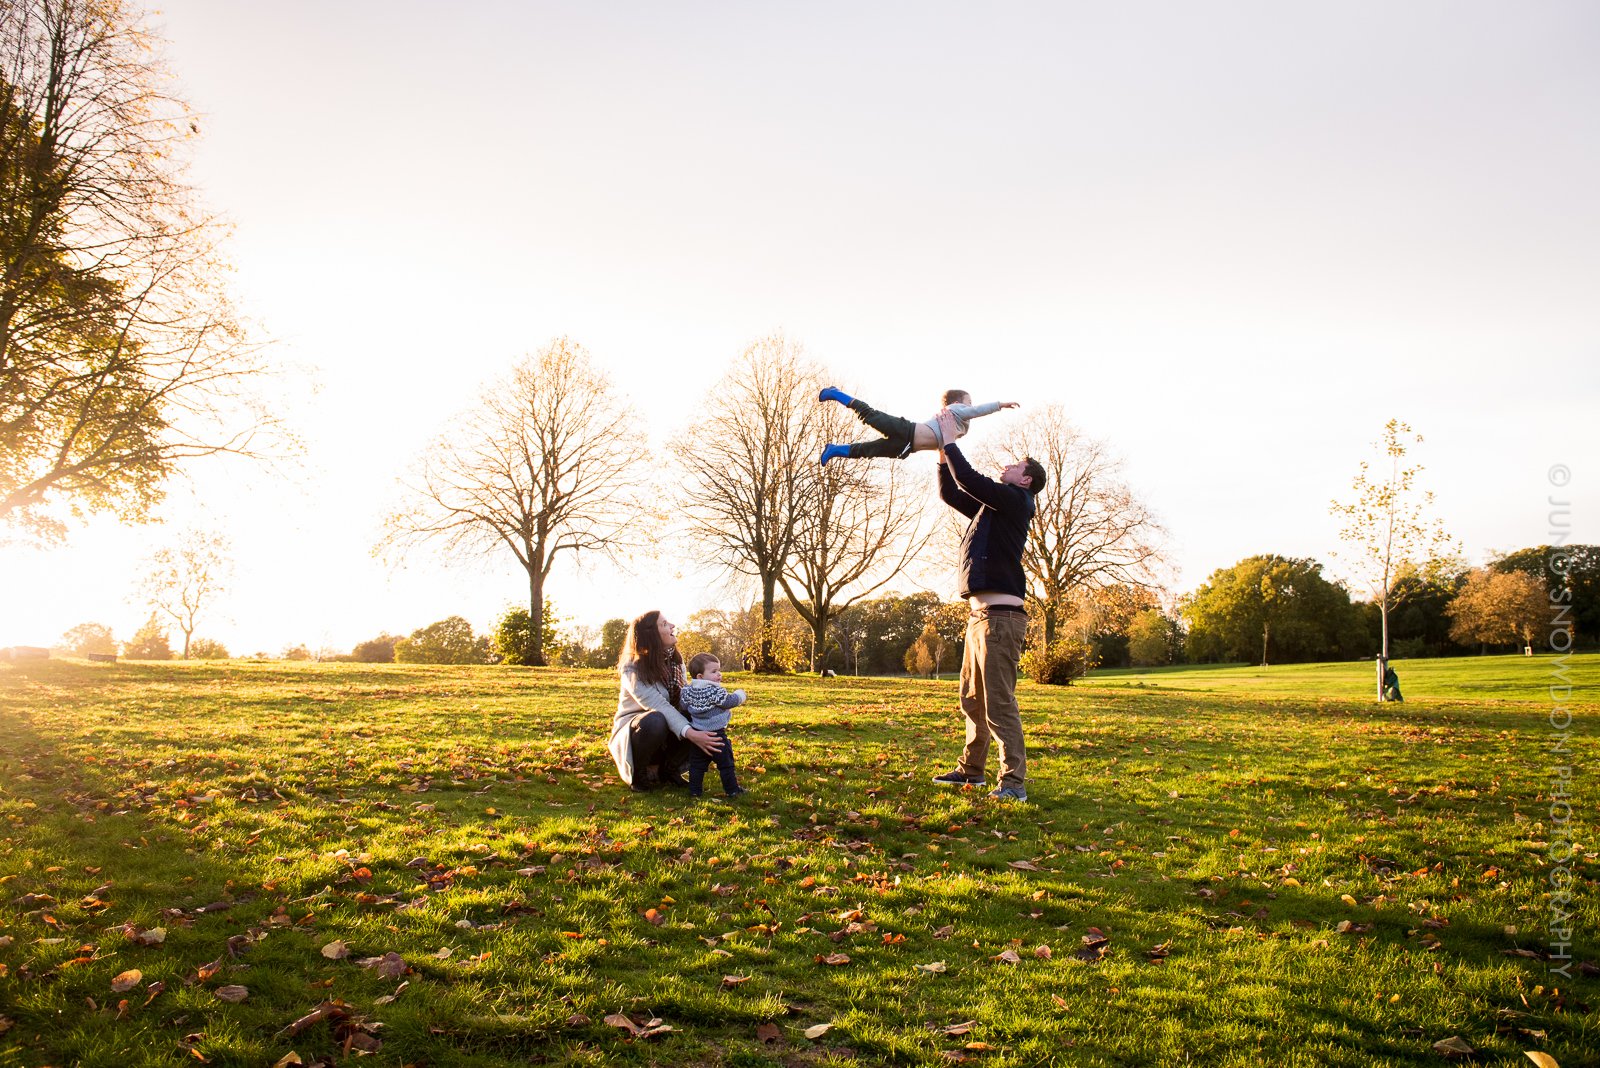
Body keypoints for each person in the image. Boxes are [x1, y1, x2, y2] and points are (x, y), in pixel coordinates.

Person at [928, 407, 1046, 801]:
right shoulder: (991, 508)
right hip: (979, 618)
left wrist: (949, 437)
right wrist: (941, 454)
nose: (1008, 465)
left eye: (1016, 464)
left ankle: (1013, 784)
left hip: (1001, 620)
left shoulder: (1016, 500)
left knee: (998, 703)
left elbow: (971, 479)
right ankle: (971, 772)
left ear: (1025, 479)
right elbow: (951, 491)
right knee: (972, 700)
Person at [608, 611, 724, 791]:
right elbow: (659, 706)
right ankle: (640, 775)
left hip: (669, 724)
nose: (672, 626)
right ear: (651, 635)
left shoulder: (675, 661)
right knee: (656, 720)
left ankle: (669, 769)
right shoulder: (632, 667)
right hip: (639, 728)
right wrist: (692, 734)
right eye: (664, 624)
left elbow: (683, 701)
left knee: (701, 713)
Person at [816, 387, 1019, 463]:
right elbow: (977, 411)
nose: (971, 406)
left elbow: (946, 447)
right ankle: (835, 393)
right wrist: (1000, 405)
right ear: (957, 403)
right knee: (869, 415)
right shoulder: (955, 411)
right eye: (969, 402)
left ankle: (834, 450)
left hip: (907, 447)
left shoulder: (959, 427)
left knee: (869, 451)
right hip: (906, 430)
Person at [680, 652, 748, 798]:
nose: (719, 675)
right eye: (714, 671)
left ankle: (695, 791)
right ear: (700, 676)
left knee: (697, 765)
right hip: (717, 735)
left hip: (698, 734)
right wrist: (740, 695)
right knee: (726, 764)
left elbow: (684, 706)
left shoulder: (688, 691)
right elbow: (728, 702)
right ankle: (732, 790)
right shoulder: (714, 690)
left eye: (718, 670)